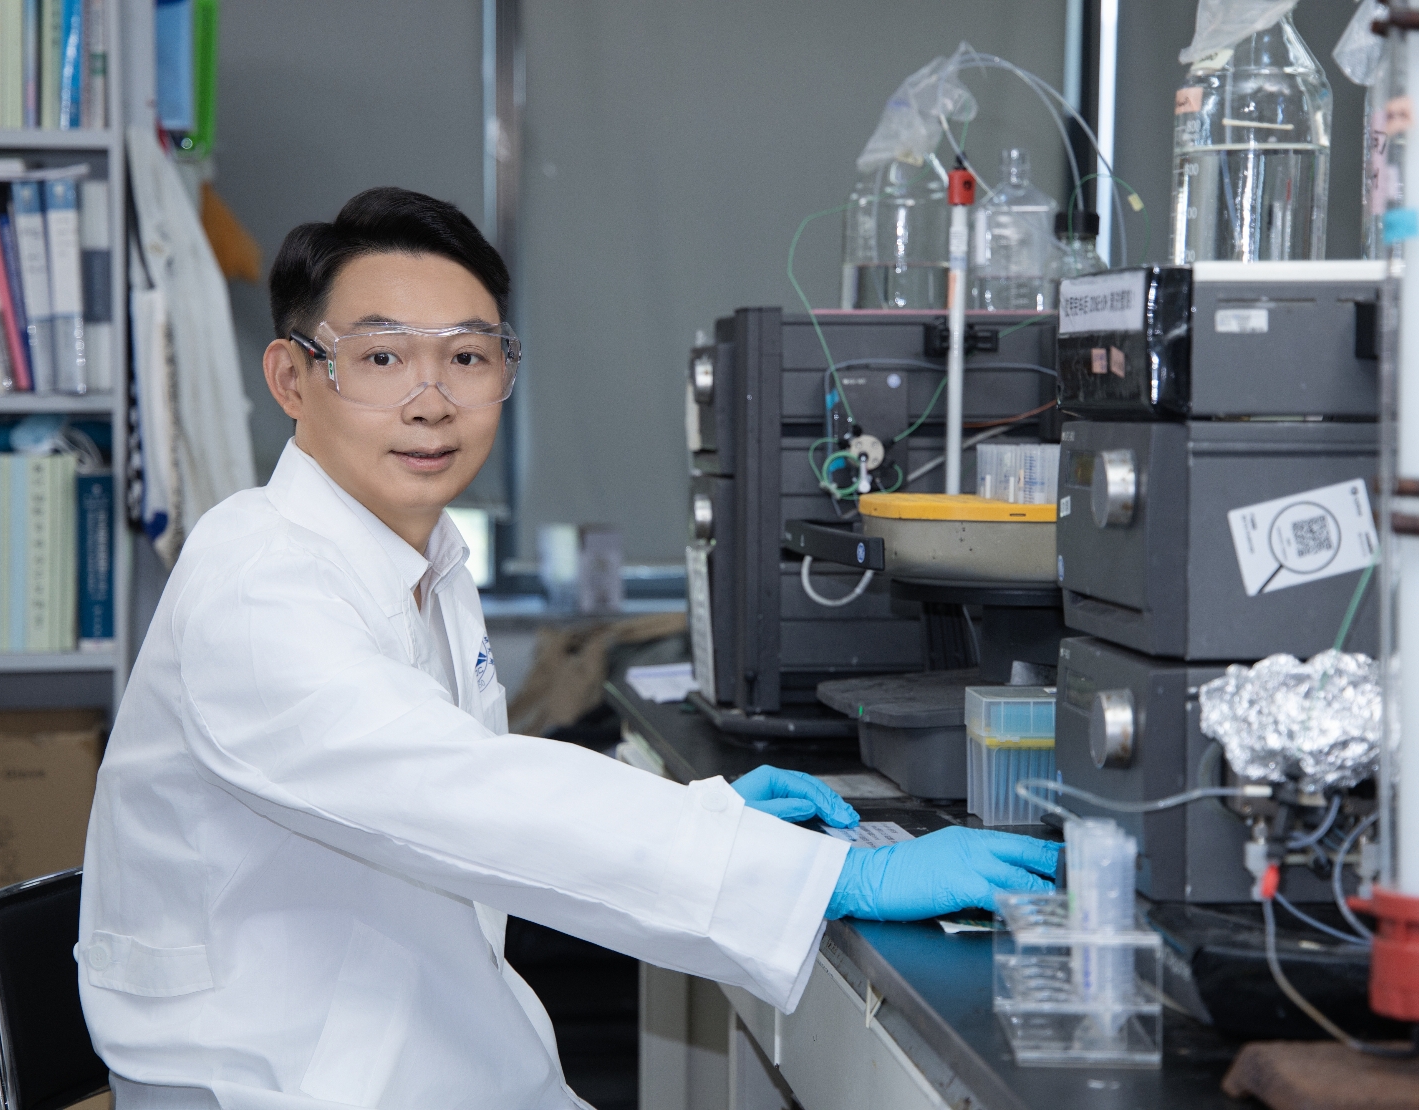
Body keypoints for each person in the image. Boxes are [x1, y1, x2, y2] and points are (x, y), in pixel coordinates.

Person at [78, 187, 1059, 1110]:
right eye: (381, 358)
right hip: (283, 1079)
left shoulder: (419, 558)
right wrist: (824, 876)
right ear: (292, 379)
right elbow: (456, 795)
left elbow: (467, 785)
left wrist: (702, 818)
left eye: (468, 358)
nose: (431, 400)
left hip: (410, 1040)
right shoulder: (256, 581)